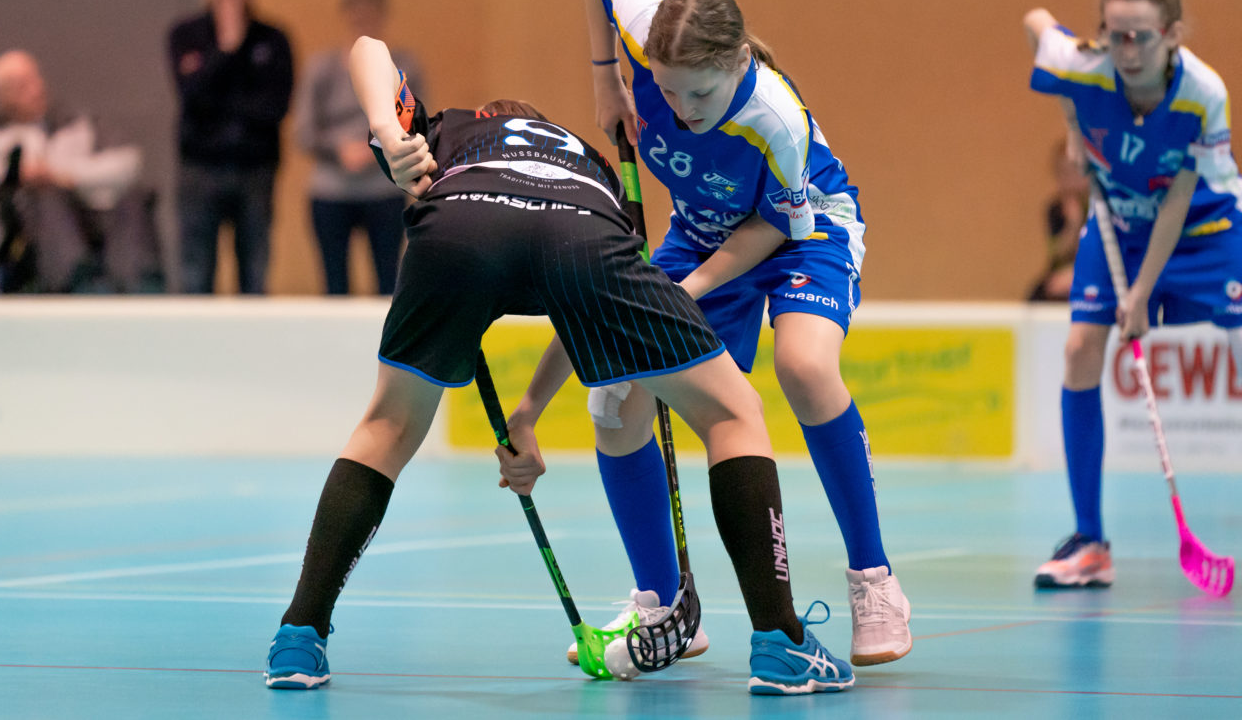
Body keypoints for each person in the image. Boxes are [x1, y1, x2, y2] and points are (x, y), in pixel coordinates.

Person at [263, 35, 855, 697]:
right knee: (733, 411)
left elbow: (368, 48)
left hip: (457, 228)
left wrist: (383, 127)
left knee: (387, 427)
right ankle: (780, 642)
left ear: (488, 115)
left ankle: (299, 634)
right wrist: (530, 412)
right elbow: (588, 315)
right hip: (584, 234)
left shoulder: (449, 130)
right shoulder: (594, 164)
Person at [554, 0, 911, 669]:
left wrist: (686, 289)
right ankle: (665, 604)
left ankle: (873, 578)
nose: (681, 108)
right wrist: (603, 76)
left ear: (739, 61)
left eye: (700, 93)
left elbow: (770, 230)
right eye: (668, 88)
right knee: (616, 396)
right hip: (701, 230)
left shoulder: (773, 117)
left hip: (800, 232)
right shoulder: (647, 30)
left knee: (806, 368)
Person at [1024, 0, 1241, 588]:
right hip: (1117, 218)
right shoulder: (1083, 66)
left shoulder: (1203, 93)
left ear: (1171, 35)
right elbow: (1035, 19)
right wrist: (1072, 123)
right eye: (1114, 35)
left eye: (1140, 37)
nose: (1126, 51)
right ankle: (1089, 542)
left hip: (1204, 226)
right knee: (1079, 349)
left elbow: (1178, 197)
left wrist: (1141, 294)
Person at [0, 50, 163, 293]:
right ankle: (80, 282)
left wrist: (64, 175)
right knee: (47, 197)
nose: (36, 90)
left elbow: (129, 162)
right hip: (25, 233)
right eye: (22, 85)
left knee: (132, 198)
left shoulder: (78, 124)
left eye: (36, 79)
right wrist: (14, 171)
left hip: (90, 213)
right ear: (2, 96)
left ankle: (141, 282)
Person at [167, 0, 293, 295]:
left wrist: (222, 103)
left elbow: (274, 108)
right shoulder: (186, 35)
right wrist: (225, 50)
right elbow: (191, 97)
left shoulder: (273, 39)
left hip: (255, 167)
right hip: (200, 166)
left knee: (254, 267)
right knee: (196, 269)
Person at [293, 0, 429, 295]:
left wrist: (376, 148)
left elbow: (417, 122)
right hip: (331, 190)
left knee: (388, 280)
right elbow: (304, 130)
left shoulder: (404, 65)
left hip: (382, 188)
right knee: (335, 283)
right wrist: (338, 151)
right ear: (346, 11)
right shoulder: (321, 68)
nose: (363, 13)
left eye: (371, 5)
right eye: (356, 5)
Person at [1027, 137, 1090, 302]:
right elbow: (1057, 253)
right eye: (1062, 173)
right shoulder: (1056, 208)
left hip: (1092, 272)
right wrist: (1073, 225)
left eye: (1074, 171)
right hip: (1062, 270)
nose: (1069, 179)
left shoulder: (1101, 207)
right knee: (1040, 292)